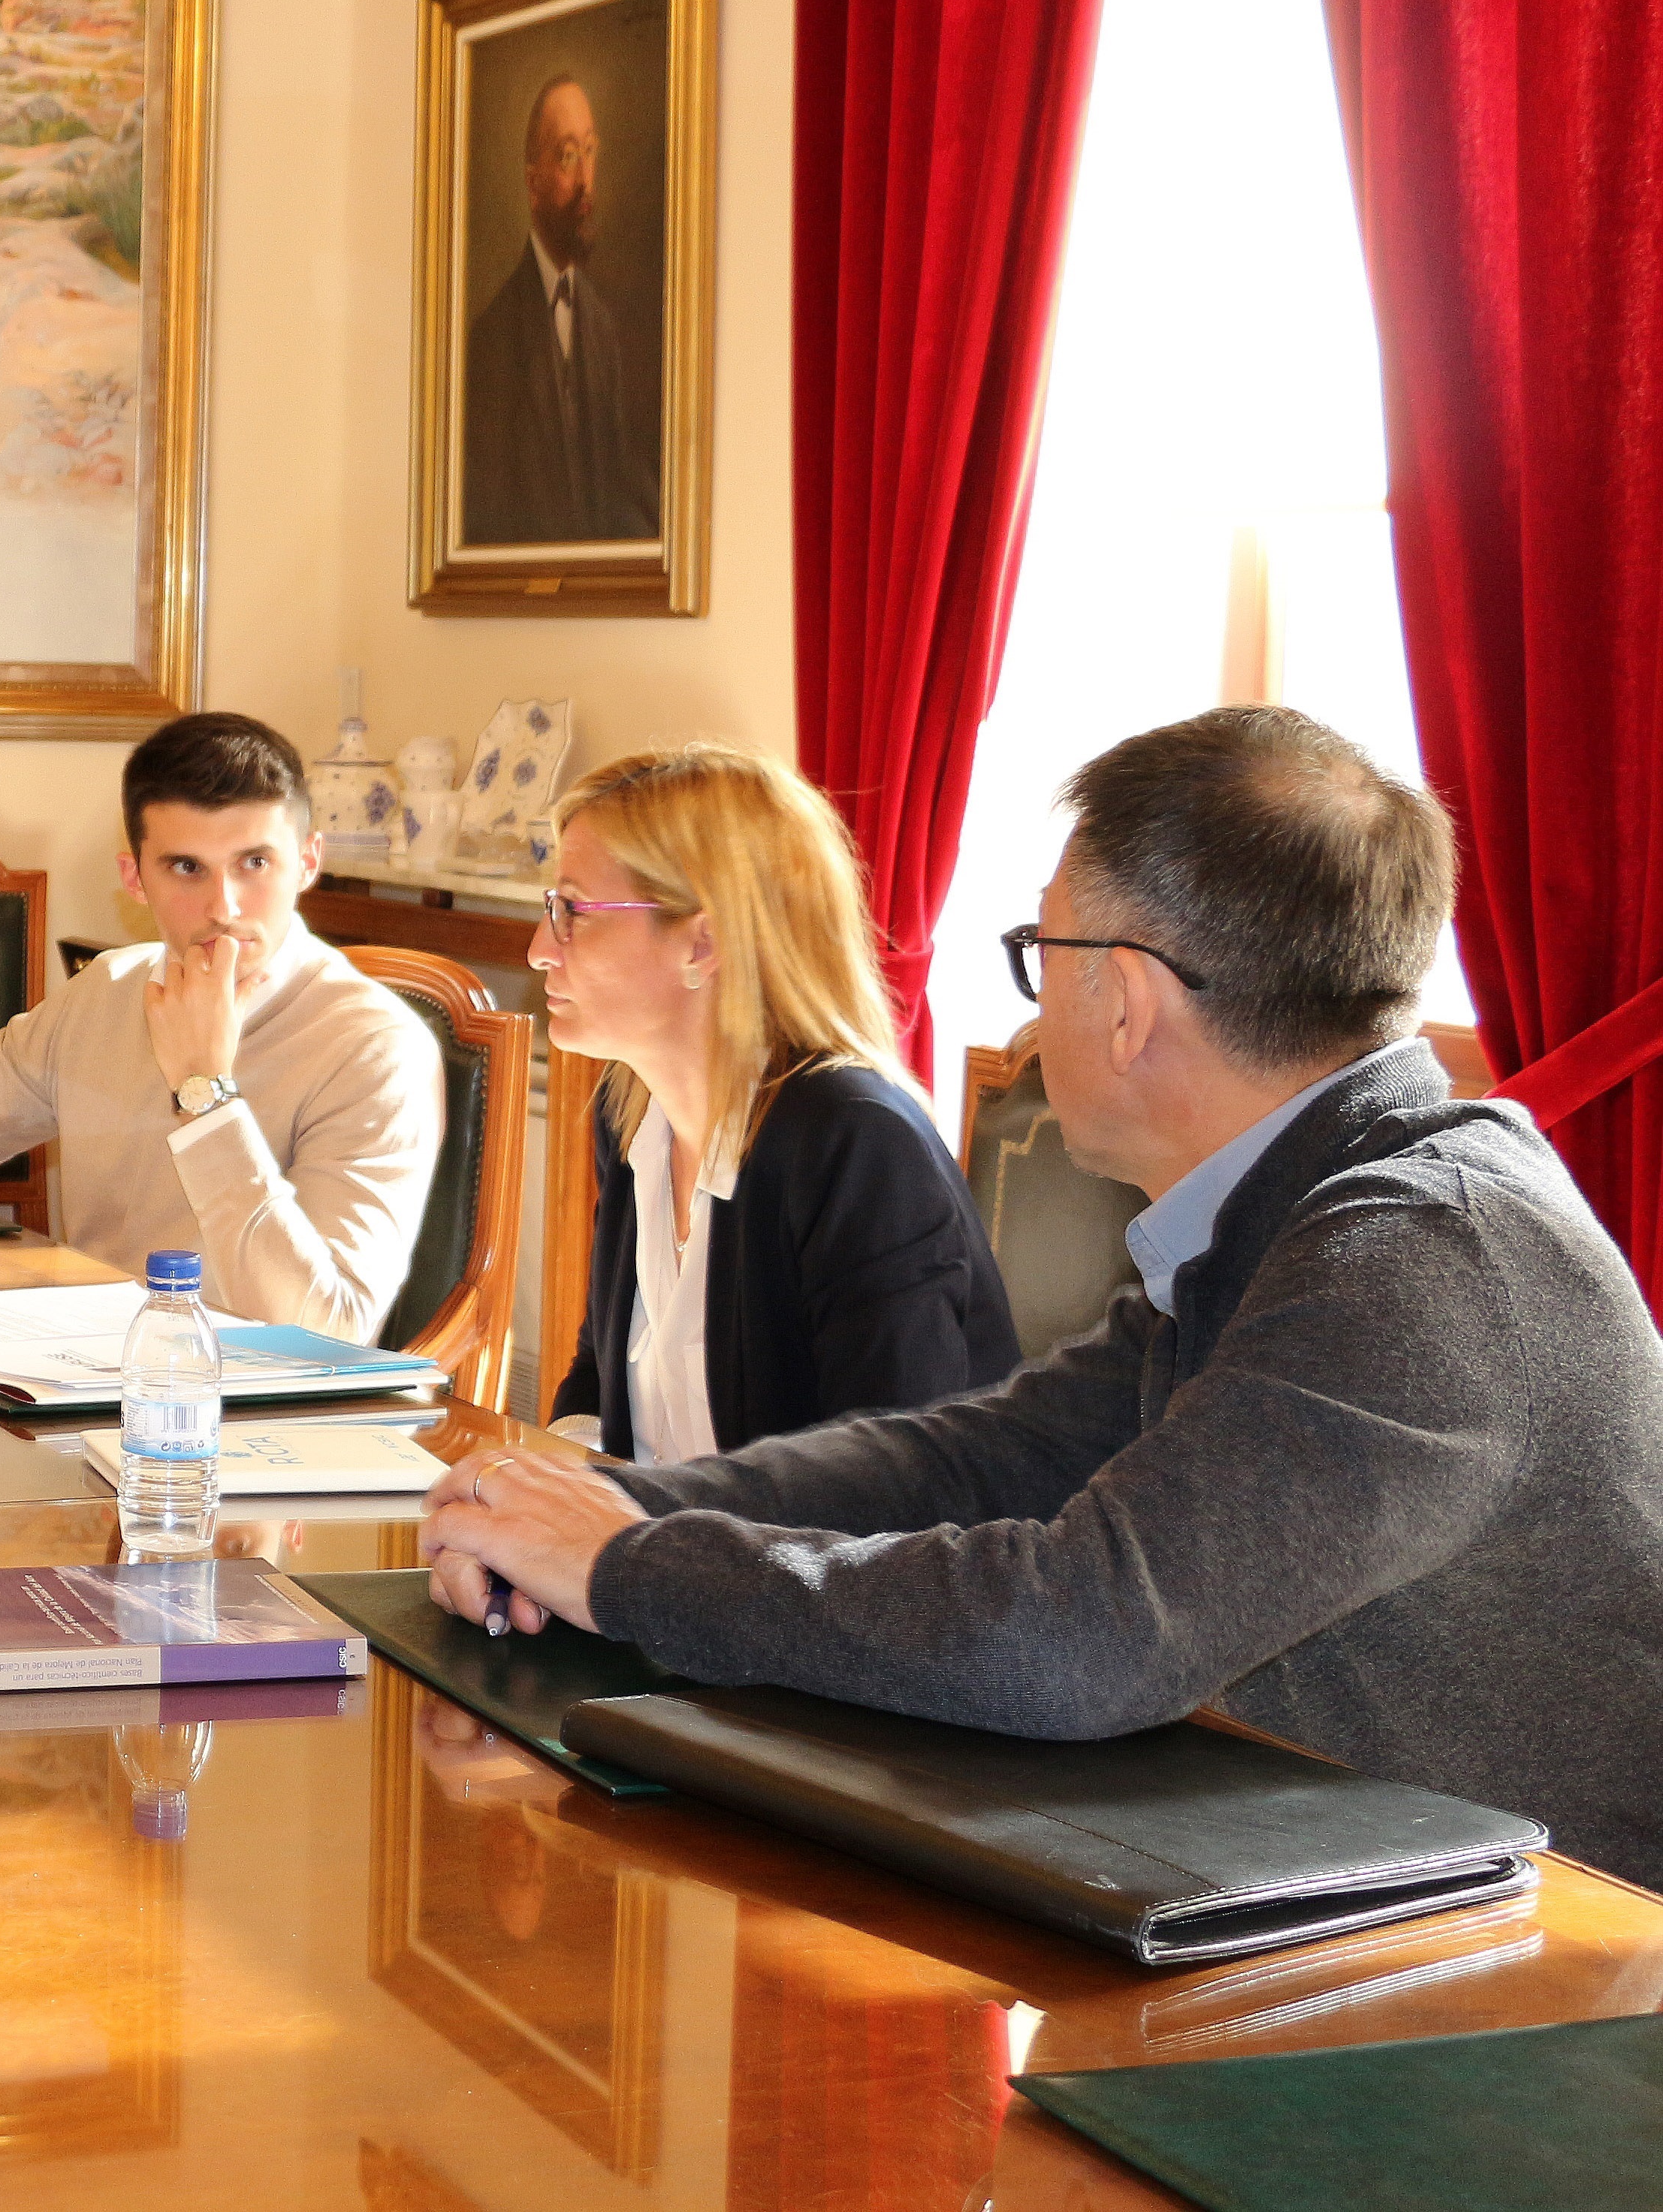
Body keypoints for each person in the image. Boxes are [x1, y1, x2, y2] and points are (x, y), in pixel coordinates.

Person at [427, 706, 1663, 1888]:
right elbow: (989, 1451)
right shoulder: (1300, 1203)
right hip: (1338, 1874)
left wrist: (634, 1564)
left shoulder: (1414, 1257)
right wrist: (611, 1505)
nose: (1031, 1006)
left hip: (1547, 1971)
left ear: (1123, 1001)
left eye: (1038, 954)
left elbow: (1074, 1636)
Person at [0, 711, 444, 1340]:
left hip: (256, 1419)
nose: (224, 906)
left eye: (254, 863)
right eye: (186, 867)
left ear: (307, 860)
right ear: (134, 877)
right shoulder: (109, 990)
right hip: (82, 1376)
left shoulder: (376, 1050)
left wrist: (204, 1093)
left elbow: (327, 1330)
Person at [536, 744, 1018, 1459]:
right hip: (672, 1560)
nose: (539, 947)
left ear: (703, 942)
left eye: (573, 910)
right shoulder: (633, 1114)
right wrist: (548, 1484)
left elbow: (886, 1494)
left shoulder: (855, 1144)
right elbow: (599, 1378)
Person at [461, 73, 659, 548]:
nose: (587, 179)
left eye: (591, 151)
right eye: (568, 157)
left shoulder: (604, 331)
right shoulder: (489, 342)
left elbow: (623, 498)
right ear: (532, 183)